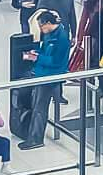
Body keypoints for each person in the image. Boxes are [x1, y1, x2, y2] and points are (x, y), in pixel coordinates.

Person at [19, 10, 70, 150]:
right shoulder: (48, 35)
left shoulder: (62, 38)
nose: (41, 29)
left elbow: (57, 61)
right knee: (36, 105)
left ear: (48, 23)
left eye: (41, 26)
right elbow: (45, 50)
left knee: (40, 108)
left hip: (51, 76)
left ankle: (35, 139)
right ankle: (31, 134)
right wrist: (37, 53)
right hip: (41, 73)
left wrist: (37, 58)